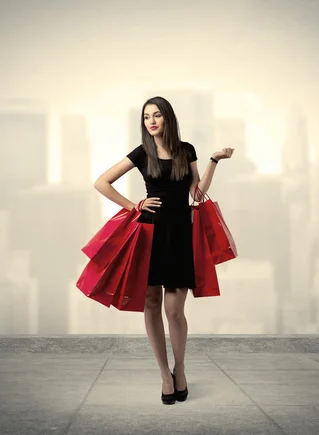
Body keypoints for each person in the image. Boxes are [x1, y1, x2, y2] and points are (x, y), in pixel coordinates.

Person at [93, 96, 234, 404]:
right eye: (146, 117)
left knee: (174, 310)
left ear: (167, 118)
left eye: (157, 115)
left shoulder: (186, 150)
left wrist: (214, 160)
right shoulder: (142, 153)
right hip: (150, 233)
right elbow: (102, 182)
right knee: (151, 305)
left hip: (181, 234)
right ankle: (163, 375)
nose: (151, 121)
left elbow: (197, 193)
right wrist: (134, 206)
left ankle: (179, 370)